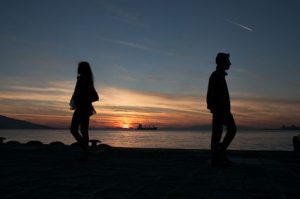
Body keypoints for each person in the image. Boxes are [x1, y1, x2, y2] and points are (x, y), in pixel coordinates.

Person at [207, 53, 237, 167]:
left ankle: (219, 155)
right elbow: (211, 94)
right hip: (221, 110)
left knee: (218, 133)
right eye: (228, 61)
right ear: (222, 62)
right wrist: (214, 108)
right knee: (228, 130)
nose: (230, 63)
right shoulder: (216, 76)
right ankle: (219, 155)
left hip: (221, 110)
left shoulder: (219, 75)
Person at [70, 61, 99, 159]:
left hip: (82, 108)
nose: (77, 69)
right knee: (83, 130)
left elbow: (95, 97)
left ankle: (85, 149)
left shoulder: (83, 80)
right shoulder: (86, 80)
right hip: (85, 108)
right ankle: (86, 151)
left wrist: (83, 99)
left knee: (74, 129)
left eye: (79, 67)